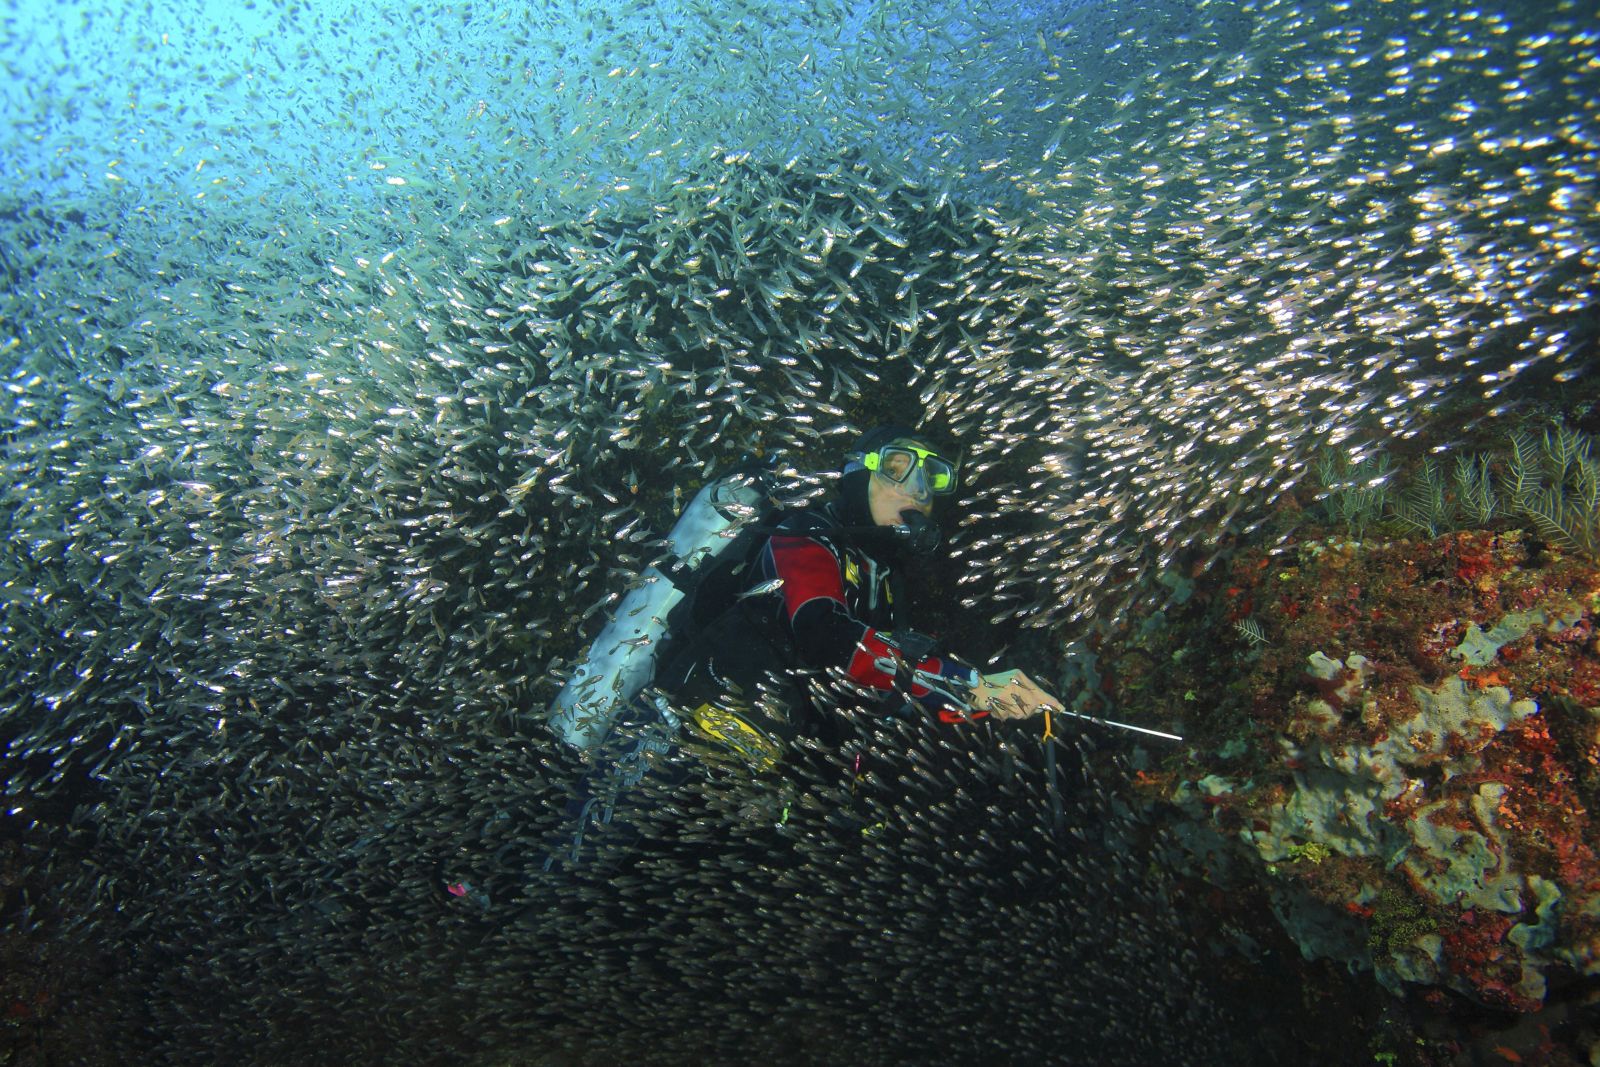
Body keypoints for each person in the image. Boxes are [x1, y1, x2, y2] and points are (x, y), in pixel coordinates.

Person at [651, 424, 1062, 755]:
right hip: (689, 746)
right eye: (897, 467)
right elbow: (824, 636)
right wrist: (966, 683)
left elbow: (885, 693)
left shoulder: (882, 582)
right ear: (858, 473)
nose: (919, 489)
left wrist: (974, 707)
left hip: (769, 776)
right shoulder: (803, 534)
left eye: (934, 477)